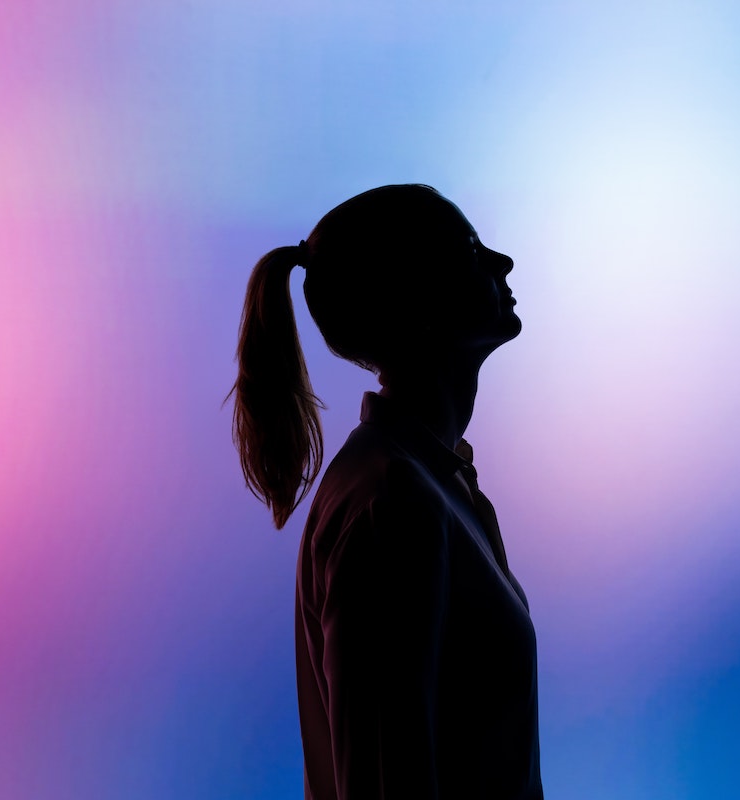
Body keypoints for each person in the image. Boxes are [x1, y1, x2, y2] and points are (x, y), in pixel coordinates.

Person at [231, 184, 543, 799]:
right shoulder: (392, 502)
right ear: (420, 301)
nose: (500, 263)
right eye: (470, 251)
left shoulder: (431, 485)